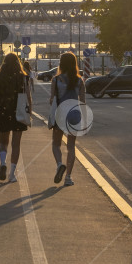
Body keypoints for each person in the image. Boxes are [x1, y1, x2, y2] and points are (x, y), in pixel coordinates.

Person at [0, 53, 32, 182]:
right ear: (18, 63)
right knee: (16, 144)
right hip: (19, 112)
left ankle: (3, 163)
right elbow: (28, 97)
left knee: (3, 142)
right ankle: (12, 174)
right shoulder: (23, 78)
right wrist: (30, 112)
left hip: (3, 112)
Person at [49, 51, 86, 186]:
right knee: (71, 146)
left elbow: (52, 100)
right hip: (74, 114)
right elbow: (82, 101)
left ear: (61, 64)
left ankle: (59, 164)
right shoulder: (79, 80)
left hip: (60, 113)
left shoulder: (56, 80)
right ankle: (68, 177)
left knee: (56, 144)